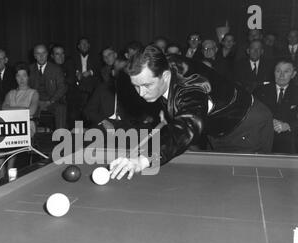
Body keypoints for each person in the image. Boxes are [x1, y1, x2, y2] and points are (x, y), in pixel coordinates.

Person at [109, 45, 273, 180]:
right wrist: (166, 109)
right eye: (136, 86)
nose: (141, 93)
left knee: (241, 187)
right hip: (219, 127)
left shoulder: (191, 89)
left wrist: (143, 160)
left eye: (146, 86)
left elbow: (188, 126)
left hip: (247, 125)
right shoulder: (161, 62)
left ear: (165, 76)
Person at [0, 63, 39, 177]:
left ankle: (8, 170)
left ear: (28, 77)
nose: (21, 79)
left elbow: (31, 111)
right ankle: (2, 173)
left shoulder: (33, 93)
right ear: (15, 78)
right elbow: (3, 108)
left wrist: (12, 109)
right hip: (9, 125)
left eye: (24, 75)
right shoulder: (11, 93)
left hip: (27, 125)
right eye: (18, 76)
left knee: (9, 135)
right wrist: (22, 108)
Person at [254, 60, 298, 153]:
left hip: (290, 141)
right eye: (278, 71)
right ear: (273, 72)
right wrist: (270, 121)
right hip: (263, 138)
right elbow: (253, 114)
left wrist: (288, 125)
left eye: (286, 71)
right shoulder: (260, 91)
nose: (281, 75)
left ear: (293, 74)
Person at [29, 44, 67, 129]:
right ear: (34, 56)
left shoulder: (56, 69)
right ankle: (31, 138)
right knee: (27, 108)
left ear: (47, 54)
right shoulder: (30, 69)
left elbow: (62, 87)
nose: (41, 56)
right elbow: (27, 88)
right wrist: (35, 101)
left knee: (61, 108)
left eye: (44, 53)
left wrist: (51, 101)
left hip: (52, 101)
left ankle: (60, 137)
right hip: (35, 102)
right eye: (38, 54)